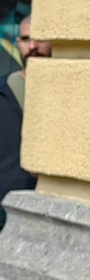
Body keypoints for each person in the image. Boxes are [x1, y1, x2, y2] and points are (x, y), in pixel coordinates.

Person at [0, 15, 46, 228]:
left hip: (47, 211)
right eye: (26, 39)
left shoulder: (69, 97)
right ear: (18, 42)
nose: (33, 46)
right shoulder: (3, 92)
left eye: (40, 38)